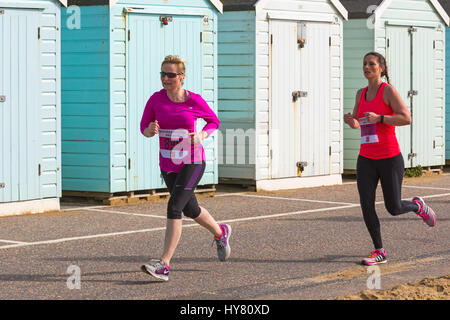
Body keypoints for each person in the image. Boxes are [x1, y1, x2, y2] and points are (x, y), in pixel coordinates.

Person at [139, 55, 231, 281]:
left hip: (192, 161)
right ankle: (221, 233)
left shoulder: (194, 100)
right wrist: (150, 130)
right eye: (162, 74)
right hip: (167, 163)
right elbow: (144, 127)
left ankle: (164, 264)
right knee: (191, 210)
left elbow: (214, 122)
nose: (166, 78)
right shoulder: (155, 100)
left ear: (181, 77)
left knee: (174, 207)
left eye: (170, 74)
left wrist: (201, 135)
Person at [344, 52, 436, 266]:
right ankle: (379, 251)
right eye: (364, 63)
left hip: (389, 158)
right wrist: (351, 121)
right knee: (366, 205)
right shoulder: (360, 93)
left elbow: (406, 118)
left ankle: (417, 206)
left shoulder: (388, 91)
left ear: (382, 68)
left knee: (393, 208)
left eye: (372, 64)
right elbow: (359, 123)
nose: (367, 67)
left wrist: (381, 118)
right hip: (366, 158)